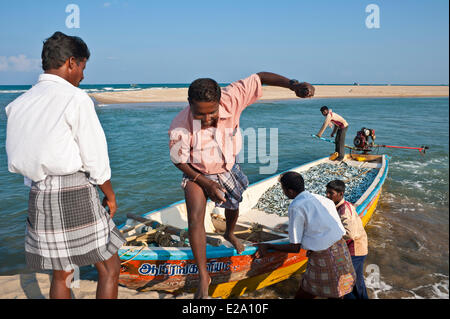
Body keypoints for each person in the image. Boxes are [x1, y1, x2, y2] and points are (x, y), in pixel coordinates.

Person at [168, 73, 314, 298]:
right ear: (190, 105)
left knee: (234, 203)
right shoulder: (180, 125)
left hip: (227, 166)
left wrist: (293, 85)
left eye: (212, 112)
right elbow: (179, 160)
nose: (207, 119)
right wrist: (205, 183)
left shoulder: (233, 96)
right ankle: (203, 277)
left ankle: (229, 233)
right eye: (200, 114)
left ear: (220, 101)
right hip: (197, 171)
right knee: (195, 217)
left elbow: (260, 77)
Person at [5, 32, 126, 299]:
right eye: (83, 67)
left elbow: (18, 159)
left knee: (62, 273)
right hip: (75, 192)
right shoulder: (76, 98)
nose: (83, 75)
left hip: (39, 194)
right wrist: (109, 193)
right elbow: (94, 158)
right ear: (71, 62)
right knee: (109, 266)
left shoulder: (18, 104)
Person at [255, 172, 356, 299]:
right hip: (341, 249)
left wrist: (269, 246)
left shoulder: (295, 206)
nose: (284, 192)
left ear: (290, 191)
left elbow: (295, 248)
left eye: (283, 189)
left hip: (323, 256)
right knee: (338, 291)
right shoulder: (323, 199)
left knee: (306, 292)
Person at [326, 180, 369, 299]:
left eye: (331, 193)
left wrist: (329, 239)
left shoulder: (344, 210)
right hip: (361, 248)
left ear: (341, 194)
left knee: (343, 285)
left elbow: (349, 233)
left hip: (354, 250)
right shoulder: (342, 206)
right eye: (327, 192)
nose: (327, 195)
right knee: (358, 283)